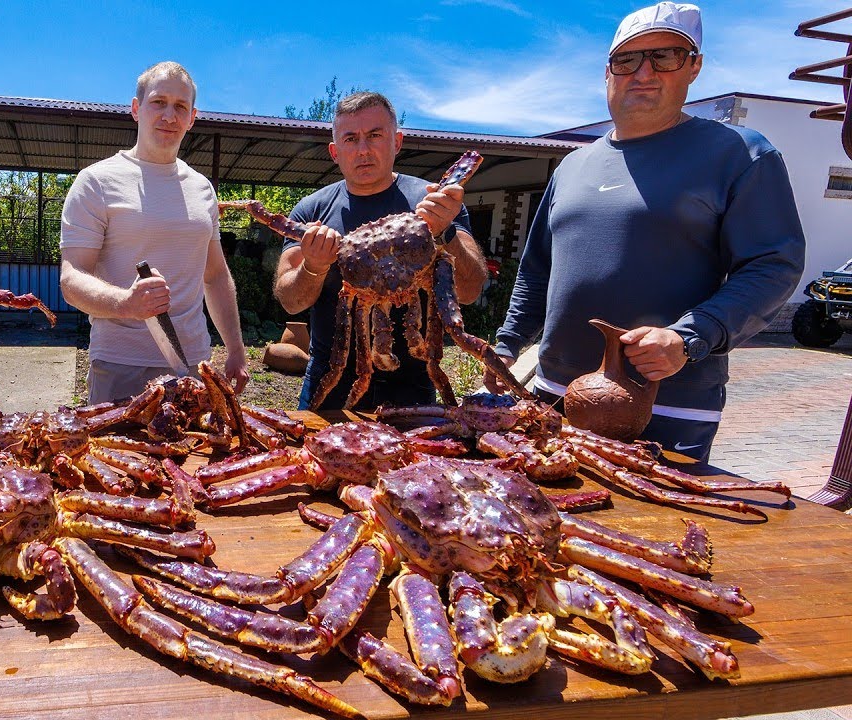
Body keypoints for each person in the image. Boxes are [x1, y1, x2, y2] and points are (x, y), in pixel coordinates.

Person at [488, 2, 805, 462]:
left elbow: (774, 265)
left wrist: (689, 337)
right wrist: (505, 348)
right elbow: (537, 272)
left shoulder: (737, 155)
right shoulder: (574, 166)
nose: (643, 73)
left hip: (668, 402)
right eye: (627, 60)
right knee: (544, 521)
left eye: (665, 56)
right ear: (607, 72)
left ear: (694, 67)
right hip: (554, 395)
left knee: (656, 530)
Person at [274, 91, 489, 411]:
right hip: (330, 380)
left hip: (415, 383)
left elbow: (470, 291)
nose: (363, 149)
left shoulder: (435, 202)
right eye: (351, 138)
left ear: (397, 141)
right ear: (334, 151)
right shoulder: (312, 211)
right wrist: (314, 267)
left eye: (375, 135)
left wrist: (446, 233)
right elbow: (290, 301)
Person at [60, 61, 248, 403]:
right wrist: (126, 303)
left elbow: (216, 275)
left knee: (193, 456)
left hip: (193, 366)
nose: (169, 116)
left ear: (192, 118)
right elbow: (72, 278)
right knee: (113, 456)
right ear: (136, 109)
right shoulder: (97, 182)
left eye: (180, 107)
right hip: (119, 367)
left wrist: (235, 348)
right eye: (158, 102)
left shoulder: (202, 188)